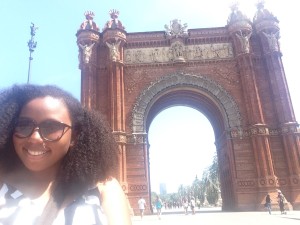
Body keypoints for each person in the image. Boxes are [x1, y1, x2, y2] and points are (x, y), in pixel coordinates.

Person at [0, 84, 132, 225]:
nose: (34, 137)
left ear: (74, 137)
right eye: (23, 125)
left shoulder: (103, 190)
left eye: (51, 127)